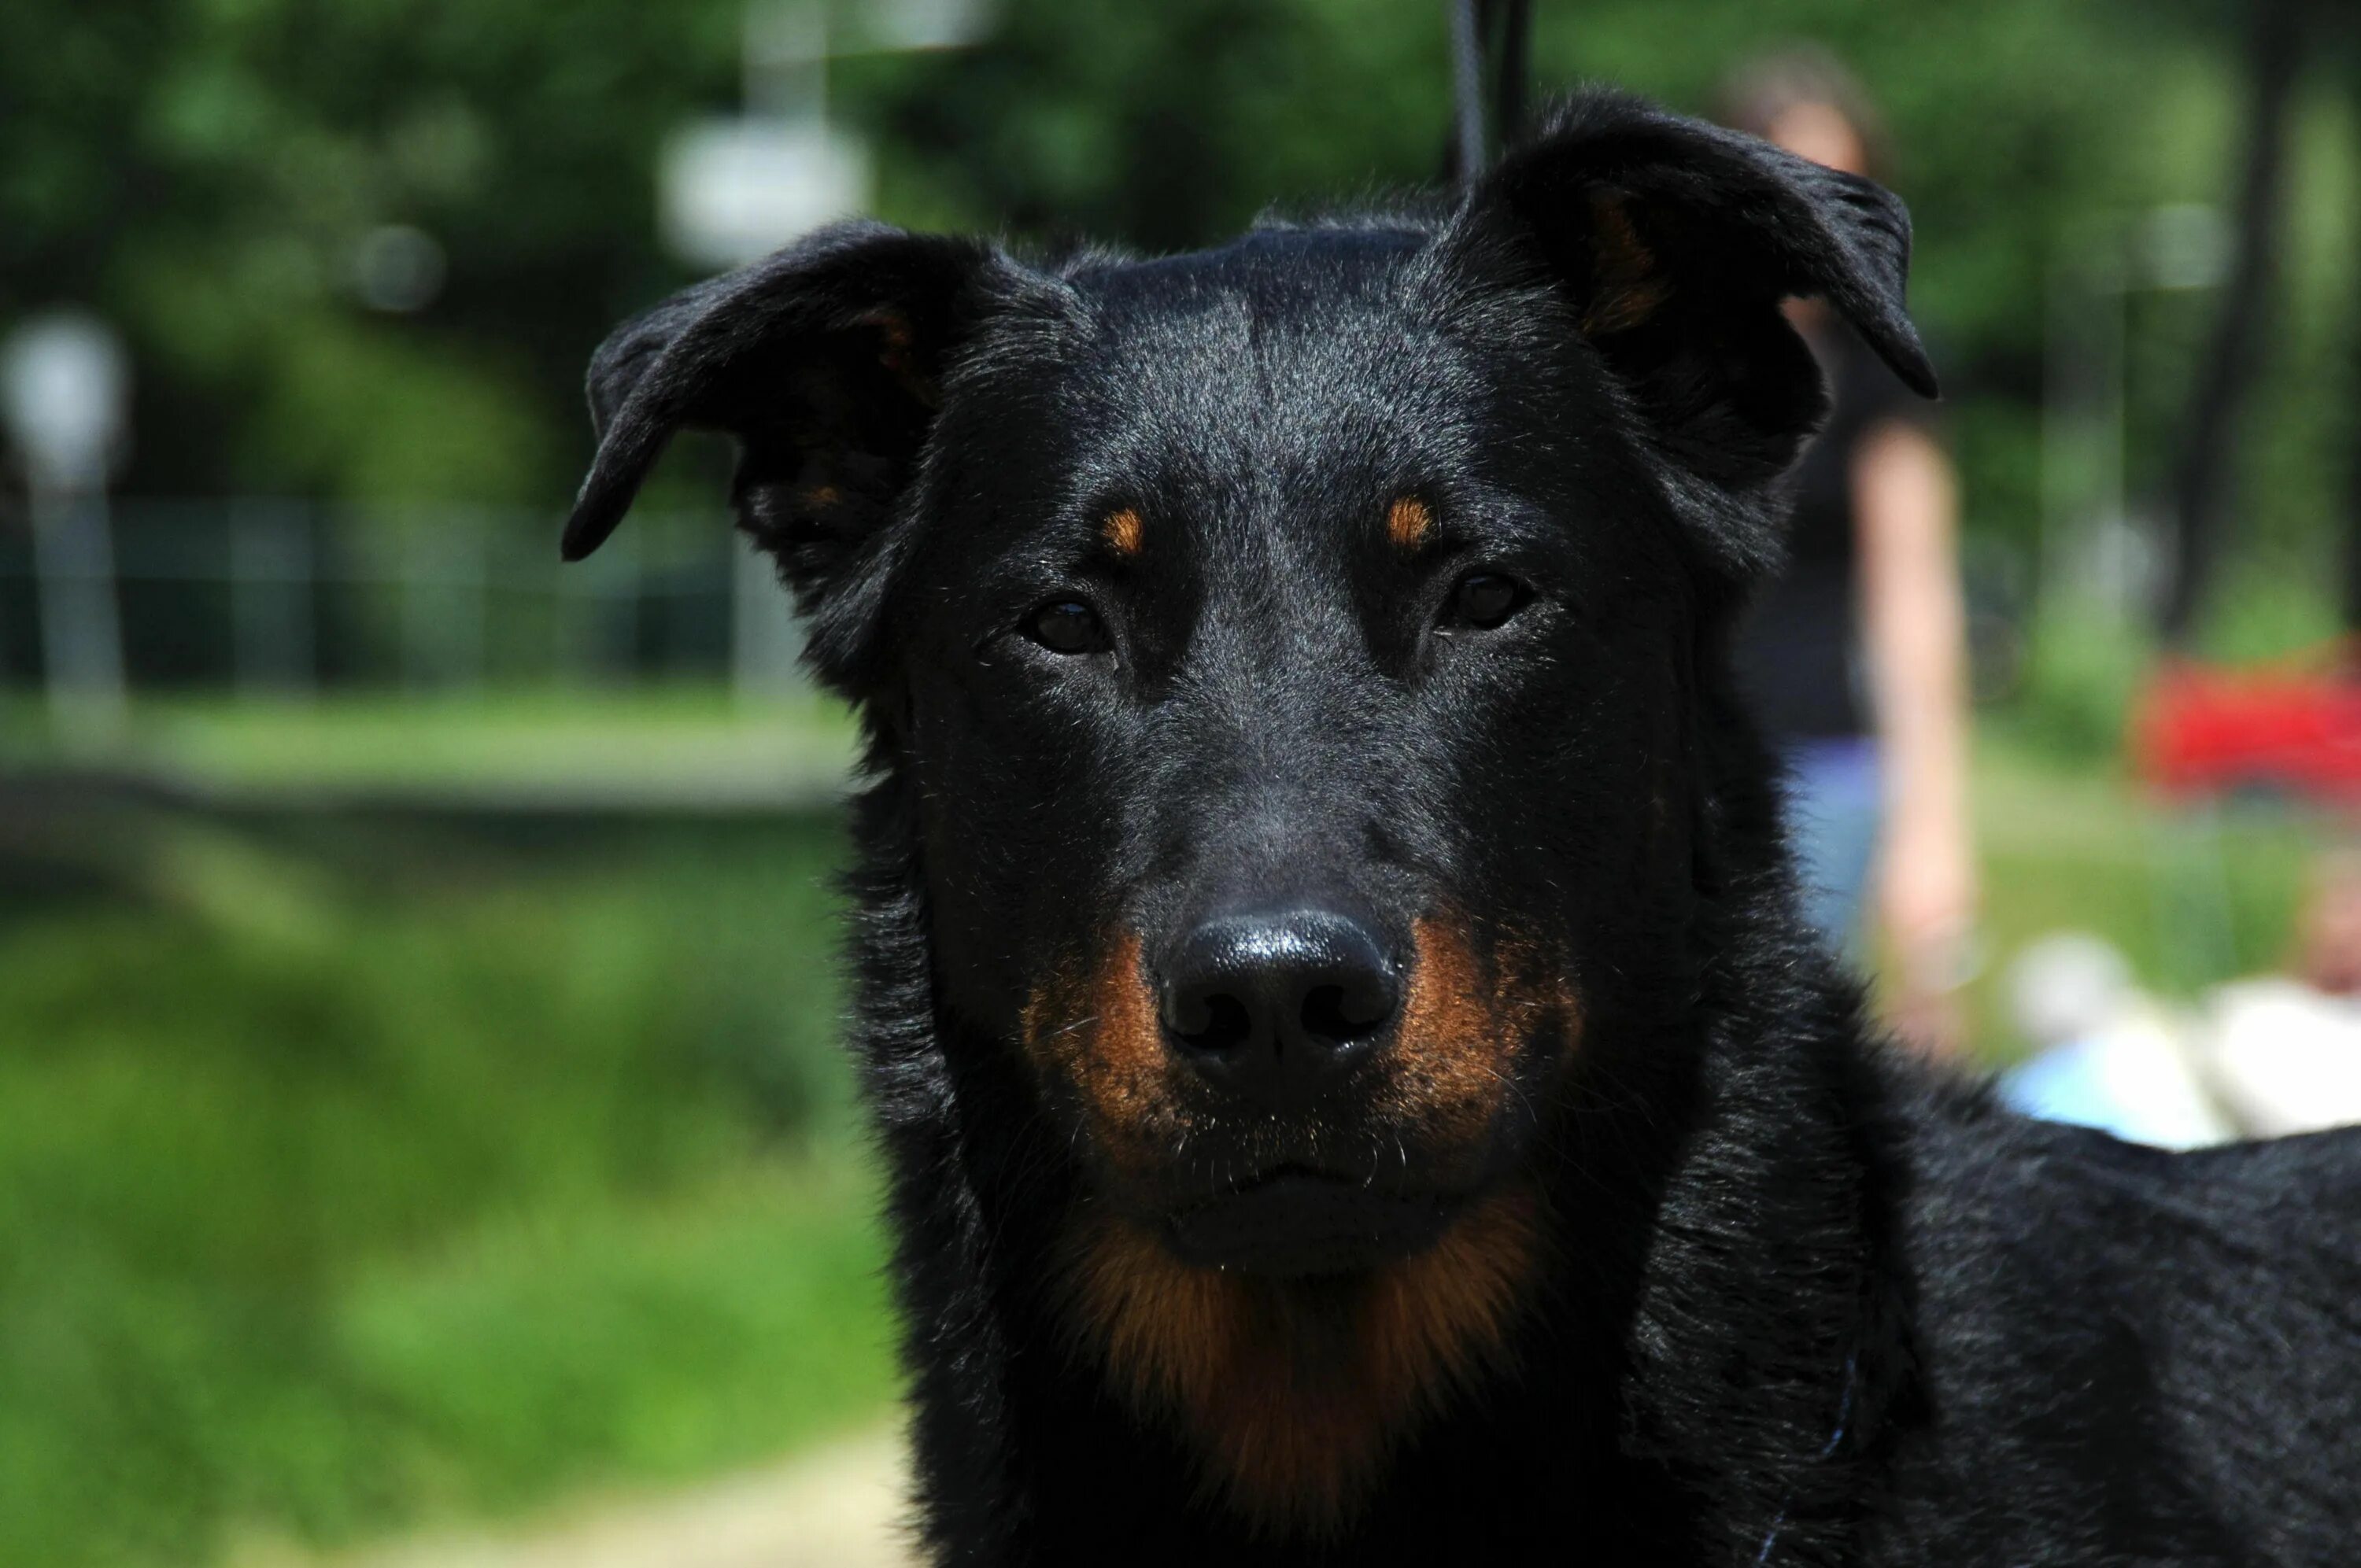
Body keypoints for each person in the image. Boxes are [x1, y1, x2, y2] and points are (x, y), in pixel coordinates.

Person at [1721, 50, 1979, 1055]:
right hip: (1690, 748)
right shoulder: (1662, 363)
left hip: (1826, 766)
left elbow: (1913, 600)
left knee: (1784, 1049)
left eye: (1841, 189)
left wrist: (1934, 831)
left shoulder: (1880, 372)